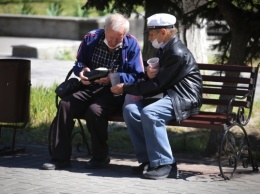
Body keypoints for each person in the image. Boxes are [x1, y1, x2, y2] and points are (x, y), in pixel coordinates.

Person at [42, 13, 144, 170]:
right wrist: (81, 72)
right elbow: (78, 63)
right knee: (65, 105)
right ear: (104, 30)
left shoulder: (131, 44)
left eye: (119, 38)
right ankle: (59, 159)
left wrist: (113, 77)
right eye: (111, 38)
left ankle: (100, 157)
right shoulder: (91, 38)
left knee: (94, 110)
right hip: (88, 87)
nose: (115, 42)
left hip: (114, 92)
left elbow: (137, 76)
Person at [111, 13, 203, 180]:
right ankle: (148, 161)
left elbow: (157, 85)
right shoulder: (165, 48)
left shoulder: (176, 51)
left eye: (152, 34)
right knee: (131, 110)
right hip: (169, 94)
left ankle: (166, 164)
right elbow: (157, 80)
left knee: (150, 113)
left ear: (163, 32)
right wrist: (149, 73)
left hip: (183, 97)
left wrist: (125, 88)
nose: (150, 38)